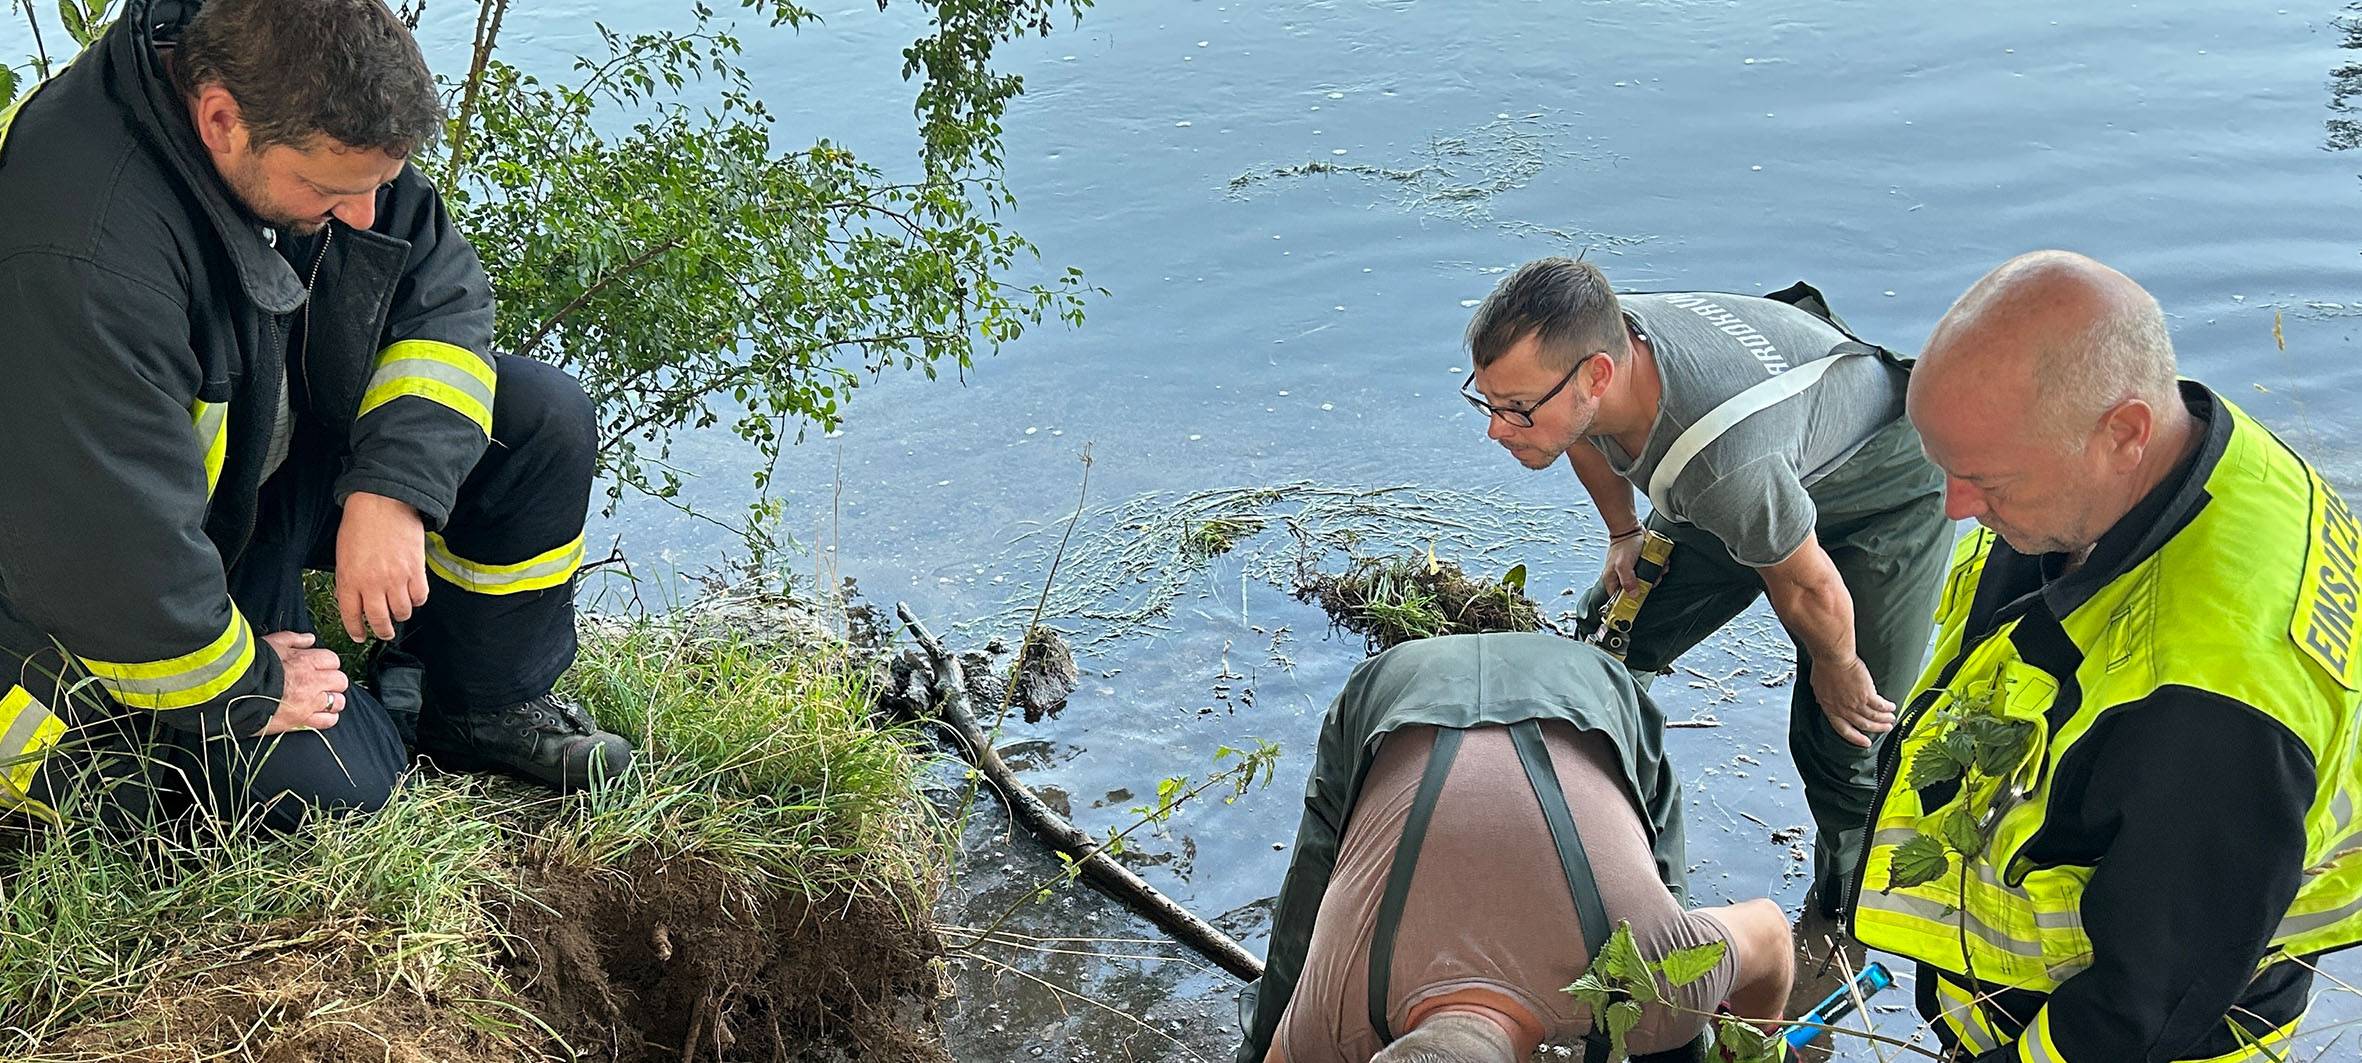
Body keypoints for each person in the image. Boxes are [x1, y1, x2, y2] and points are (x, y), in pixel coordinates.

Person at [0, 0, 632, 833]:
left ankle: (479, 706)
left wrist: (393, 487)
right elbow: (111, 552)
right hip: (117, 561)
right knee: (343, 785)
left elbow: (440, 291)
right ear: (220, 120)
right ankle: (336, 721)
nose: (366, 214)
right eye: (335, 190)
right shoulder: (88, 255)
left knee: (541, 419)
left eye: (378, 184)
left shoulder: (297, 99)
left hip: (248, 480)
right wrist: (251, 684)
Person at [1848, 250, 2362, 1061]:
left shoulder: (2208, 710)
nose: (1954, 508)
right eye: (1945, 469)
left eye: (1988, 481)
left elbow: (2142, 1007)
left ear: (2125, 432)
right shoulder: (2186, 454)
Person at [1460, 259, 1954, 916]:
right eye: (1490, 402)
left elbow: (1805, 585)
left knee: (1846, 736)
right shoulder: (1587, 347)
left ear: (1598, 376)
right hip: (1764, 469)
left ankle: (1848, 922)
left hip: (1880, 493)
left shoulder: (1723, 464)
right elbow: (1579, 430)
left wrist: (1836, 664)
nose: (1497, 428)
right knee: (1613, 631)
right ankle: (1581, 836)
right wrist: (1622, 531)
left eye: (1516, 410)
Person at [1236, 633, 1793, 1063]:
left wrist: (1743, 1046)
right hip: (1401, 688)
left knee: (1673, 1026)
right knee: (1297, 956)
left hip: (1589, 698)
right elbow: (1770, 932)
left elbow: (1770, 936)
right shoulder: (1330, 1012)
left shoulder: (1657, 971)